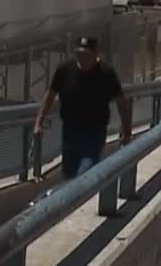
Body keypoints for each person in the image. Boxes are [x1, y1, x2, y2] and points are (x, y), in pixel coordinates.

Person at [34, 37, 133, 180]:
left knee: (87, 169)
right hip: (70, 130)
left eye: (86, 55)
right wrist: (39, 122)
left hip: (95, 130)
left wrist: (126, 130)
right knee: (69, 173)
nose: (82, 58)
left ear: (95, 55)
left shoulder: (106, 73)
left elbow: (121, 102)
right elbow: (50, 95)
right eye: (79, 54)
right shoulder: (65, 69)